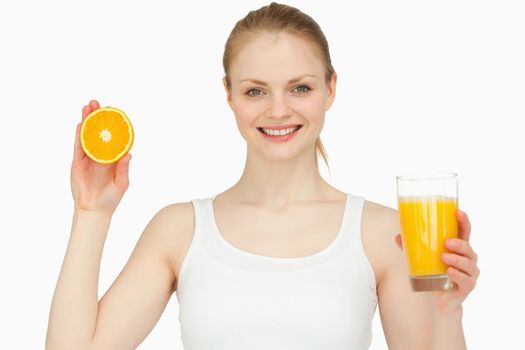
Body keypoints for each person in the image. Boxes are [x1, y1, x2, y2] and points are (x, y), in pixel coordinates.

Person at [46, 2, 480, 349]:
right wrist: (91, 211)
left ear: (331, 89)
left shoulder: (385, 233)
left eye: (300, 88)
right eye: (255, 90)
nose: (277, 110)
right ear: (229, 94)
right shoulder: (179, 230)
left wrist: (448, 309)